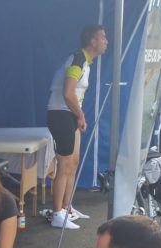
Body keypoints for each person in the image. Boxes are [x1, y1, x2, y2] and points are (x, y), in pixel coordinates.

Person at [45, 25, 109, 230]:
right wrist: (81, 116)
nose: (106, 41)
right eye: (103, 38)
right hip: (61, 114)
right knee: (64, 165)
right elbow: (67, 93)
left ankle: (66, 208)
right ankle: (56, 214)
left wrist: (78, 116)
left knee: (73, 163)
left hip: (70, 115)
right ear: (93, 41)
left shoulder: (85, 62)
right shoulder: (77, 60)